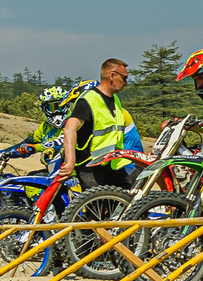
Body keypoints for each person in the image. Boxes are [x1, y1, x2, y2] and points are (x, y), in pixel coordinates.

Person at [58, 57, 141, 191]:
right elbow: (69, 129)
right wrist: (70, 162)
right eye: (124, 78)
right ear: (112, 75)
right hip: (91, 168)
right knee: (97, 207)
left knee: (129, 205)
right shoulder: (89, 99)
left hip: (113, 165)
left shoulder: (115, 100)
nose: (126, 83)